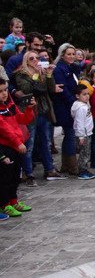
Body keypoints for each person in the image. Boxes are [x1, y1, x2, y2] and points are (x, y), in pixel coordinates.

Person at [13, 51, 61, 184]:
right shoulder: (21, 74)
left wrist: (49, 74)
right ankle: (28, 174)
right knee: (30, 144)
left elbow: (51, 89)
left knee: (46, 142)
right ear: (26, 61)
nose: (35, 60)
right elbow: (28, 89)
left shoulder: (42, 73)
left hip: (43, 111)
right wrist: (35, 75)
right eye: (31, 58)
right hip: (30, 112)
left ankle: (50, 169)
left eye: (37, 58)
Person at [0, 77, 35, 217]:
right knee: (5, 178)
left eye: (5, 90)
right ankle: (4, 204)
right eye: (0, 91)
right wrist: (17, 142)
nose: (4, 93)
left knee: (15, 176)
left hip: (17, 145)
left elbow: (23, 119)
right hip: (6, 146)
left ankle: (13, 201)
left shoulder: (9, 105)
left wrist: (29, 109)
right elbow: (4, 129)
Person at [52, 43, 81, 175]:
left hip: (74, 104)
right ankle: (71, 165)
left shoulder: (74, 67)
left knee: (71, 134)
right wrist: (75, 102)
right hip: (66, 106)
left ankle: (67, 164)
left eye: (73, 54)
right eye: (68, 54)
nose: (71, 56)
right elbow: (63, 89)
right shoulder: (59, 69)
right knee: (70, 134)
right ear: (62, 55)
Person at [71, 82, 95, 180]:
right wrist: (81, 136)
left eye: (87, 94)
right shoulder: (81, 108)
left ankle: (84, 169)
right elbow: (79, 122)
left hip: (87, 133)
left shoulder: (84, 105)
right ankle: (82, 171)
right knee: (84, 153)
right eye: (84, 94)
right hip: (83, 134)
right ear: (77, 96)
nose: (87, 96)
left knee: (86, 152)